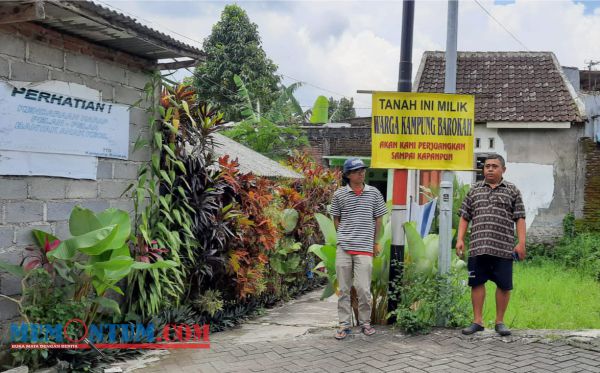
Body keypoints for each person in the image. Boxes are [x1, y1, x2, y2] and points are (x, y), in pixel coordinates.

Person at [456, 154, 526, 336]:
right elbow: (465, 216)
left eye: (494, 166)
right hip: (478, 247)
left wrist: (521, 243)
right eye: (487, 166)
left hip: (503, 248)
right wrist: (460, 239)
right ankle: (477, 321)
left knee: (504, 285)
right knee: (477, 283)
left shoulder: (513, 191)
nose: (490, 169)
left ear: (503, 169)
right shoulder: (474, 190)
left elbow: (519, 218)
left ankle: (500, 322)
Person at [330, 157, 387, 340]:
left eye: (362, 170)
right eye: (356, 171)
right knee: (344, 289)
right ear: (347, 175)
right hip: (344, 248)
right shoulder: (339, 194)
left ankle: (365, 323)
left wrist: (375, 241)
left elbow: (378, 219)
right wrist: (343, 238)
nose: (361, 173)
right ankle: (344, 325)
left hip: (365, 248)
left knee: (363, 289)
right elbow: (336, 219)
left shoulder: (374, 193)